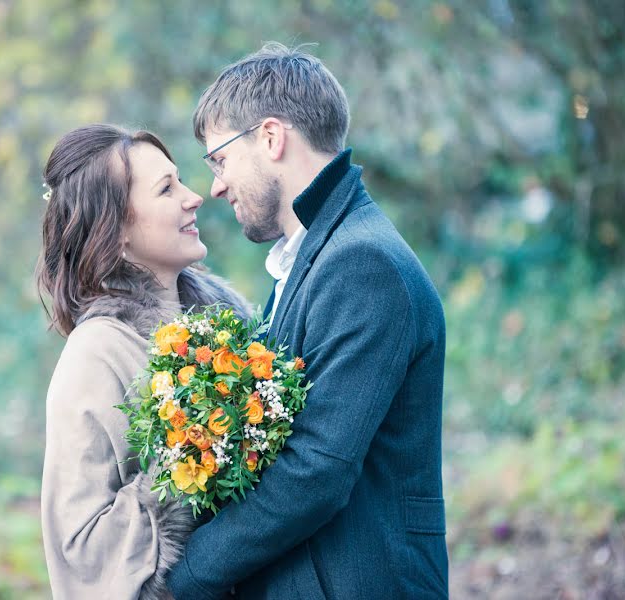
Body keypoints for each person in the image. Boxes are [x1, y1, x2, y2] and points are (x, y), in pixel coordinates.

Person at [166, 43, 449, 599]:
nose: (215, 186)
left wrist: (185, 577)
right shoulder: (319, 253)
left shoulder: (361, 263)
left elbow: (315, 472)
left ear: (271, 138)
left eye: (219, 158)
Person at [36, 124, 250, 600]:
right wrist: (191, 454)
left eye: (181, 181)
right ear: (117, 233)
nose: (194, 197)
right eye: (166, 189)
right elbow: (83, 551)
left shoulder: (230, 331)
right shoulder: (95, 357)